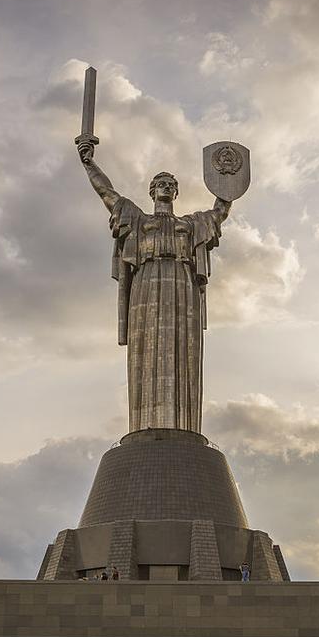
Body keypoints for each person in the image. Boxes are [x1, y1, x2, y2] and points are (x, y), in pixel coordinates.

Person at [78, 139, 232, 433]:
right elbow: (106, 193)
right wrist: (89, 163)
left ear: (176, 192)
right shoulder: (137, 219)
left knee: (183, 348)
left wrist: (227, 184)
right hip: (146, 284)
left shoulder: (190, 224)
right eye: (160, 182)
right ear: (152, 191)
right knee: (145, 350)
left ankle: (184, 426)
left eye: (170, 183)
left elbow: (219, 212)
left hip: (182, 282)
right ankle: (145, 425)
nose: (165, 186)